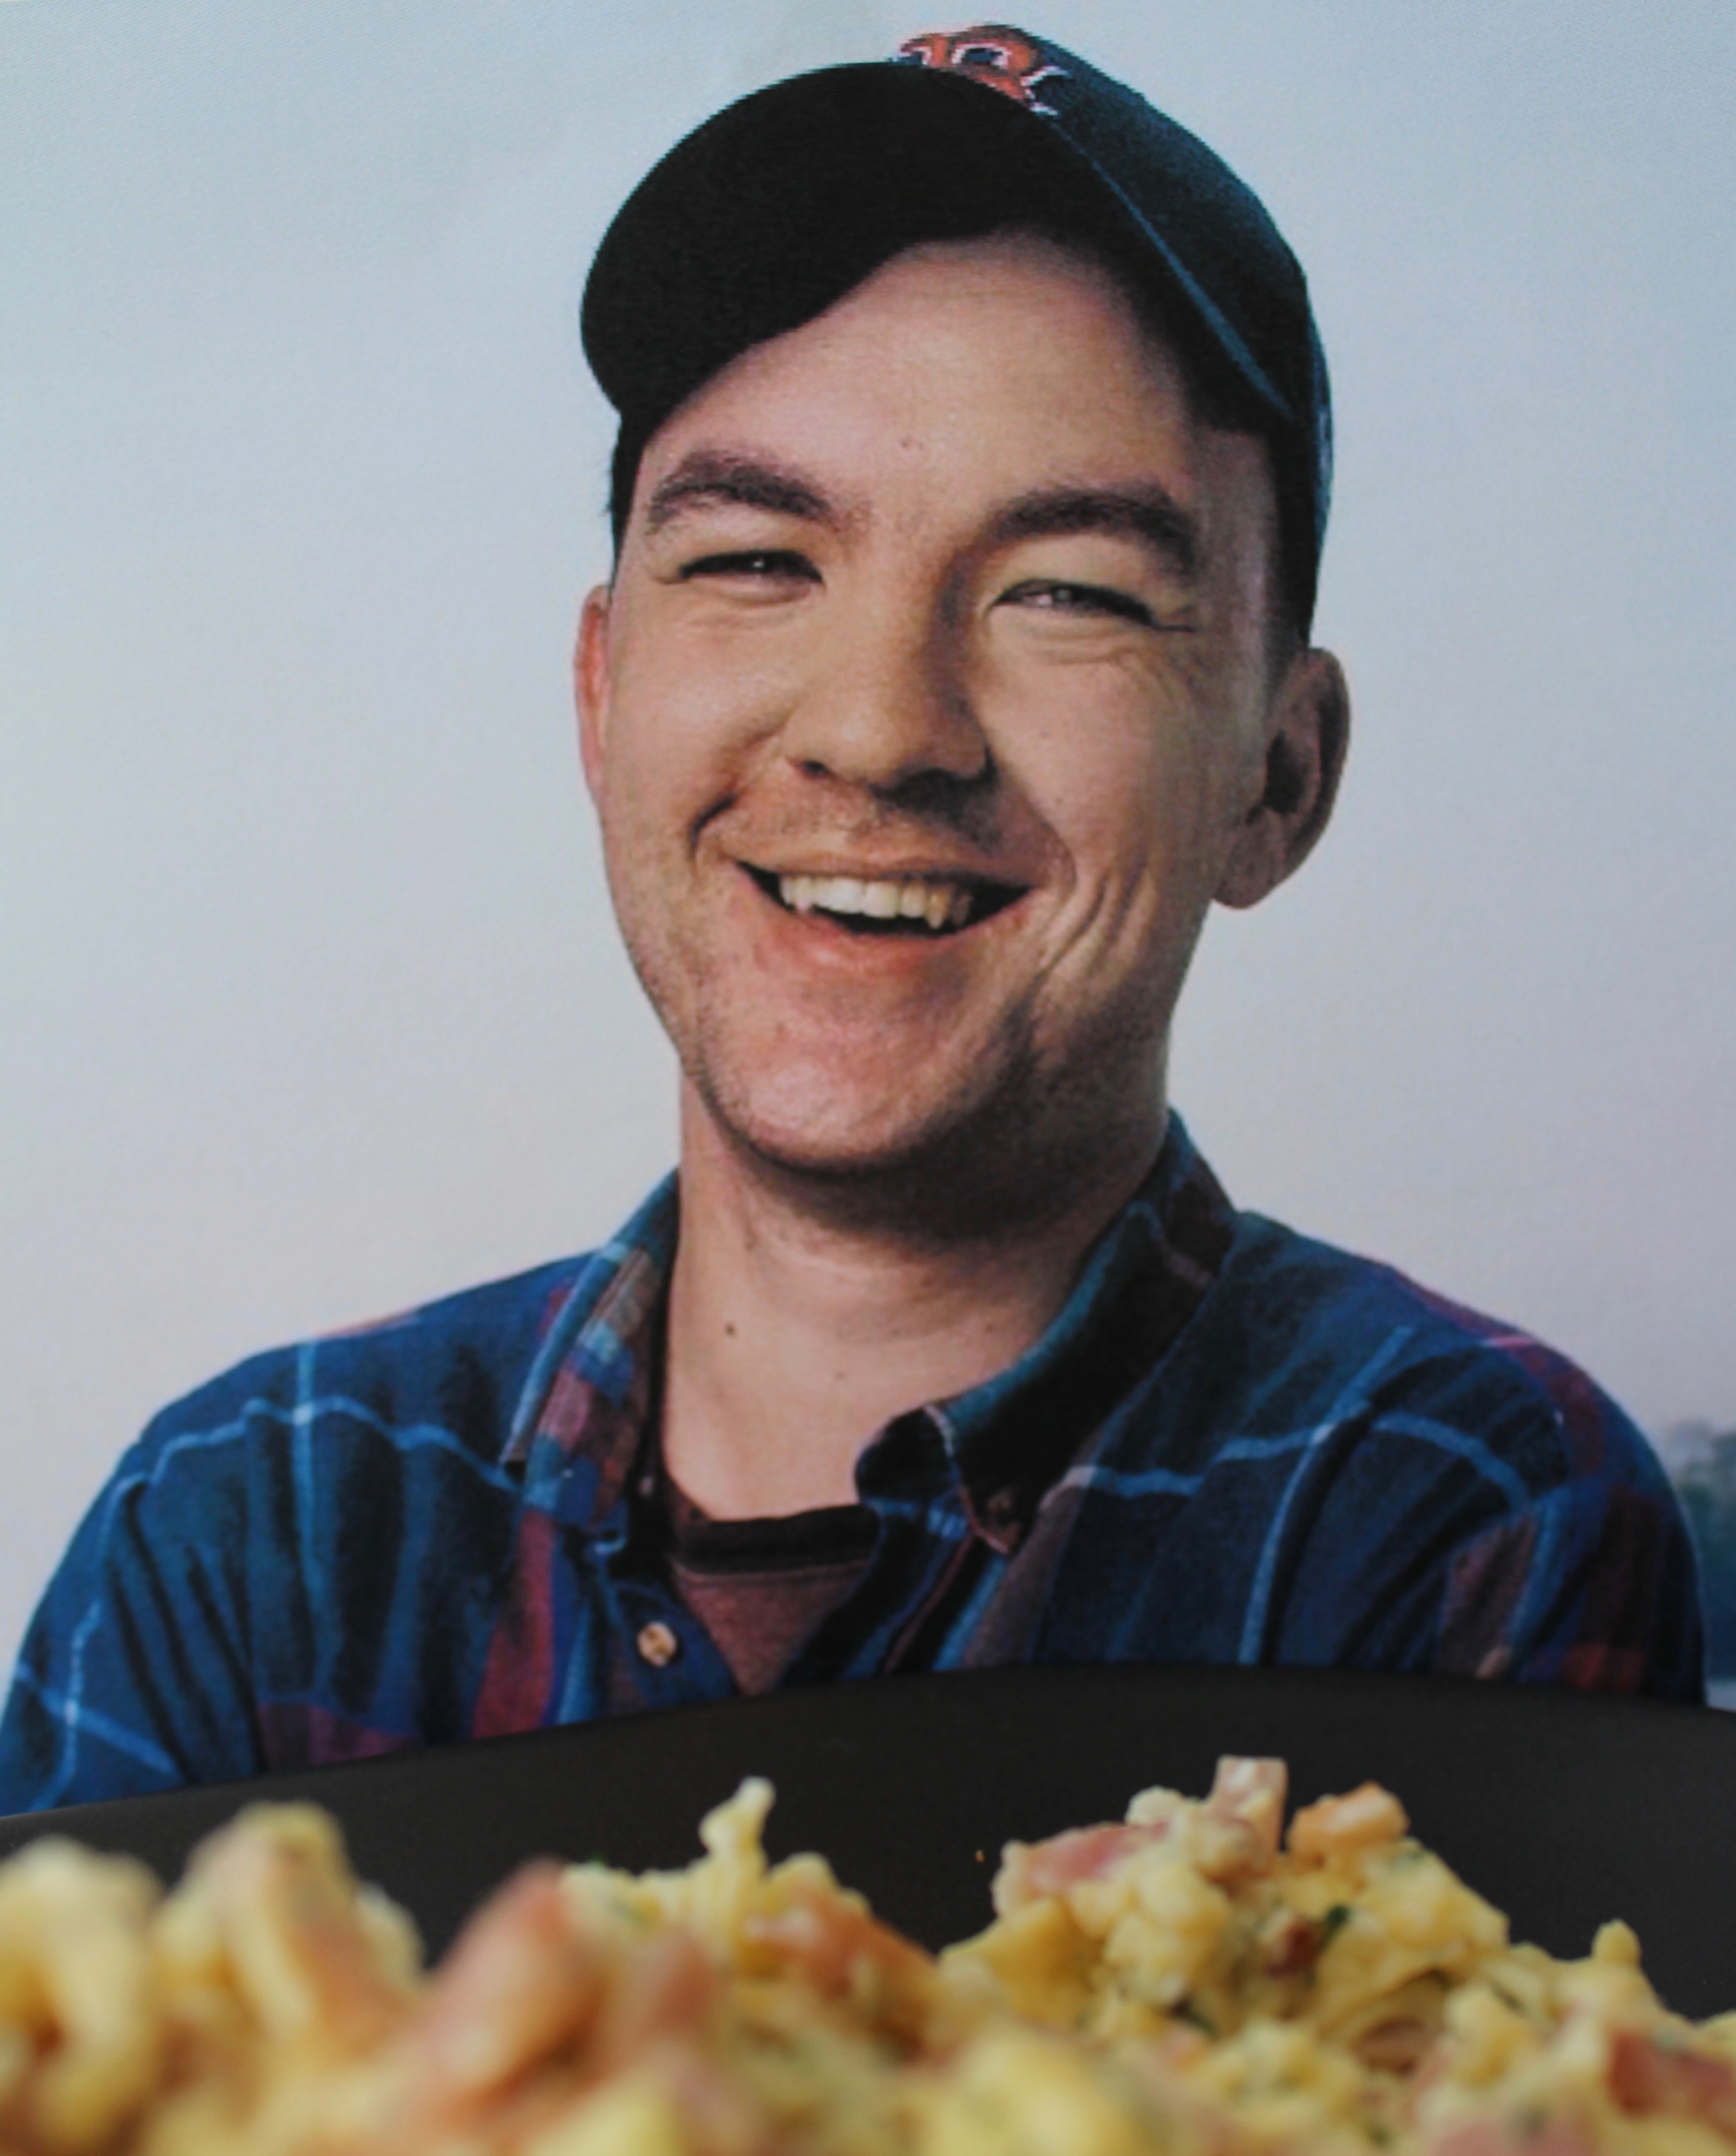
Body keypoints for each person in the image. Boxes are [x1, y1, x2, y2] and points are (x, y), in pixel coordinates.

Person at [0, 25, 1703, 1808]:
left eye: (1066, 593)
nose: (880, 730)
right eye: (756, 560)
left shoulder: (1455, 1519)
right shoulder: (240, 1541)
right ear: (601, 693)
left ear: (1279, 776)